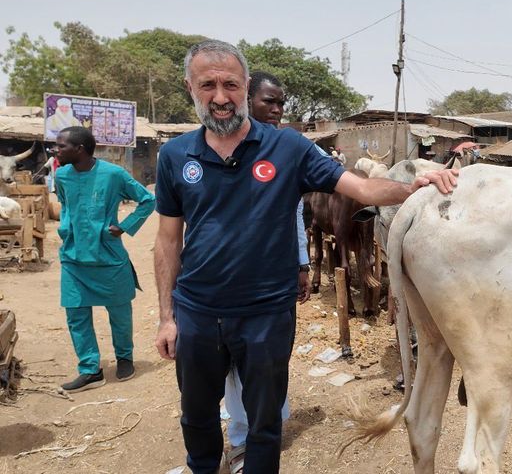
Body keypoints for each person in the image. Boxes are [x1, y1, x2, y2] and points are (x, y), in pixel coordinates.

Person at [153, 40, 457, 474]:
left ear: (244, 86)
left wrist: (413, 185)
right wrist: (167, 317)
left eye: (230, 85)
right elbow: (168, 240)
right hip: (197, 312)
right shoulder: (174, 155)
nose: (220, 97)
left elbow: (362, 188)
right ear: (190, 87)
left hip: (266, 313)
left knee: (264, 422)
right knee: (197, 416)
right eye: (208, 85)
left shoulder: (287, 148)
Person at [221, 71, 312, 472]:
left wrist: (302, 263)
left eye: (281, 104)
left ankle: (268, 424)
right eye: (268, 102)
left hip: (276, 276)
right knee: (234, 362)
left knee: (272, 357)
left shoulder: (287, 149)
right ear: (246, 100)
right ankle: (242, 435)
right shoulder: (222, 146)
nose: (276, 110)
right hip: (230, 275)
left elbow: (296, 214)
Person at [54, 126, 155, 393]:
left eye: (61, 146)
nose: (55, 150)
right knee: (76, 314)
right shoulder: (61, 175)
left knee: (120, 314)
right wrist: (66, 230)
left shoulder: (113, 174)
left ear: (80, 149)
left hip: (108, 258)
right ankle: (90, 370)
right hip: (73, 258)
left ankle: (125, 357)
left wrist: (124, 226)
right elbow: (66, 206)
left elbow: (147, 200)